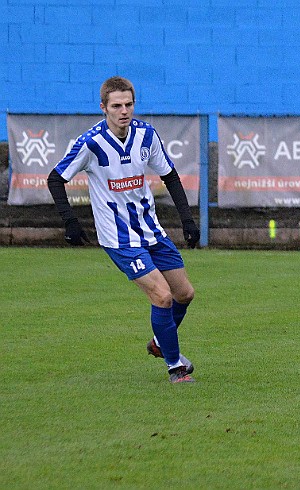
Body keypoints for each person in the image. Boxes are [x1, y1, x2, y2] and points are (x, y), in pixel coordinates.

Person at [47, 76, 200, 384]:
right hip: (119, 239)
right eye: (116, 105)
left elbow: (170, 176)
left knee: (184, 293)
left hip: (150, 230)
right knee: (162, 296)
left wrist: (187, 219)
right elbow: (55, 178)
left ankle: (159, 342)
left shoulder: (146, 135)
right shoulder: (92, 143)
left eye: (128, 104)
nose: (123, 111)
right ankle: (175, 367)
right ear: (103, 107)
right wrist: (71, 222)